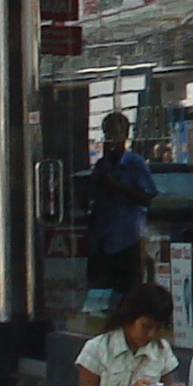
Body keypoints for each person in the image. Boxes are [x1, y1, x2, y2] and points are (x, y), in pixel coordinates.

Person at [85, 112, 156, 296]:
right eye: (108, 135)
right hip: (104, 238)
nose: (112, 140)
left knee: (130, 289)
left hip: (128, 237)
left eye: (115, 134)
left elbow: (147, 197)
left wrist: (119, 186)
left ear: (124, 135)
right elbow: (92, 196)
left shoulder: (135, 164)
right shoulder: (102, 165)